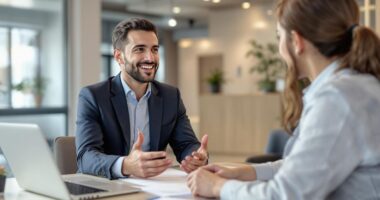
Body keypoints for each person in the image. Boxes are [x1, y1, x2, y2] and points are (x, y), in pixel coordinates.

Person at [186, 0, 380, 199]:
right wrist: (246, 172)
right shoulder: (350, 88)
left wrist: (219, 187)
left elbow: (286, 194)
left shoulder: (337, 99)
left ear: (296, 41)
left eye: (280, 36)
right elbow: (305, 165)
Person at [76, 18, 208, 179]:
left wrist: (195, 157)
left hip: (152, 187)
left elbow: (186, 144)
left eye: (154, 49)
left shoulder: (171, 96)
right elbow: (86, 157)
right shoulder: (93, 97)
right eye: (139, 49)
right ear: (119, 57)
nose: (150, 58)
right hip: (106, 186)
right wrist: (126, 165)